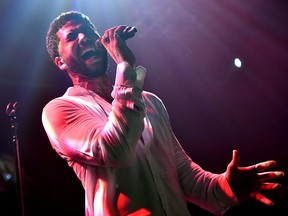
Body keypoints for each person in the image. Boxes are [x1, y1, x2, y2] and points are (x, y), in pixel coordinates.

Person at [42, 11, 284, 216]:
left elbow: (185, 176)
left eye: (88, 31)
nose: (84, 37)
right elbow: (115, 150)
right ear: (60, 62)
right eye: (72, 36)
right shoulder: (60, 109)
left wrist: (228, 187)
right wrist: (125, 67)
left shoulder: (149, 102)